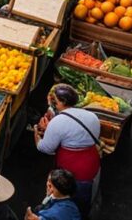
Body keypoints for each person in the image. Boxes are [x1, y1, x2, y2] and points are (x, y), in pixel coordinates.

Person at [34, 84, 100, 217]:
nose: (53, 104)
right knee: (83, 202)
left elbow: (45, 148)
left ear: (62, 102)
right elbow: (75, 135)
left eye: (55, 101)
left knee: (67, 203)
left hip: (73, 171)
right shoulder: (92, 115)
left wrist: (37, 134)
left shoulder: (58, 121)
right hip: (92, 166)